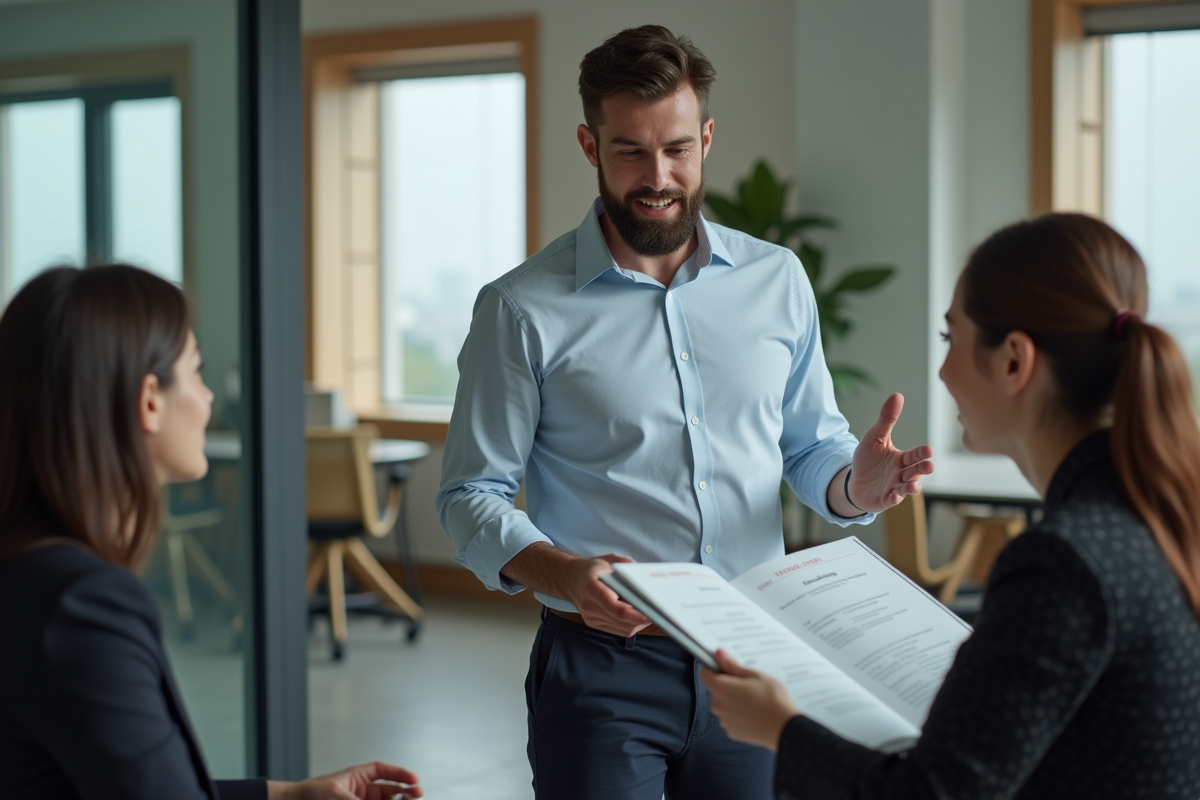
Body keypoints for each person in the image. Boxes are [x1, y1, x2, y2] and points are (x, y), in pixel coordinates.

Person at [436, 24, 934, 800]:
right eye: (630, 150)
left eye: (675, 148)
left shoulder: (777, 281)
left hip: (754, 662)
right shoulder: (520, 309)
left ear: (705, 139)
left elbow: (809, 450)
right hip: (602, 671)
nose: (657, 175)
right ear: (588, 145)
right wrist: (563, 571)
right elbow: (470, 494)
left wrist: (853, 487)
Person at [700, 212, 1200, 799]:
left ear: (1015, 360)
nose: (942, 370)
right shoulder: (1158, 513)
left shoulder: (1064, 562)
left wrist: (781, 727)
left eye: (951, 338)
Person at [0, 264, 423, 800]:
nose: (206, 401)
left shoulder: (25, 574)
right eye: (196, 373)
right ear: (150, 400)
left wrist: (289, 795)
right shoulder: (84, 603)